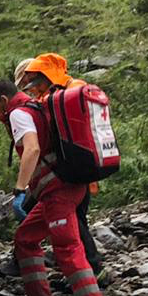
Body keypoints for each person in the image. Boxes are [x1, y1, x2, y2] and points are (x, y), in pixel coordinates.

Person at [0, 77, 112, 296]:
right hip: (62, 188)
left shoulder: (18, 114)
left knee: (68, 250)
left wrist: (20, 189)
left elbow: (32, 149)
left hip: (58, 192)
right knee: (25, 238)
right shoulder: (36, 107)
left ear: (4, 101)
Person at [17, 53, 103, 273]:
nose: (33, 87)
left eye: (35, 81)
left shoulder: (63, 94)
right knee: (75, 217)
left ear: (46, 75)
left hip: (70, 171)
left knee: (75, 218)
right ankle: (87, 266)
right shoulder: (66, 91)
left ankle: (92, 268)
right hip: (77, 167)